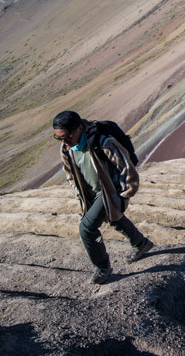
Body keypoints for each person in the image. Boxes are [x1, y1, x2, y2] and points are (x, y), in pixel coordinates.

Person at [53, 111, 153, 284]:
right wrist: (79, 193)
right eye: (59, 138)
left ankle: (102, 268)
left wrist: (124, 194)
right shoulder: (67, 148)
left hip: (109, 192)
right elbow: (70, 173)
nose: (64, 141)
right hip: (91, 193)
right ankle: (141, 243)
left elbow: (126, 167)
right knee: (113, 218)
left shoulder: (103, 142)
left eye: (66, 136)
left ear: (78, 128)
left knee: (86, 228)